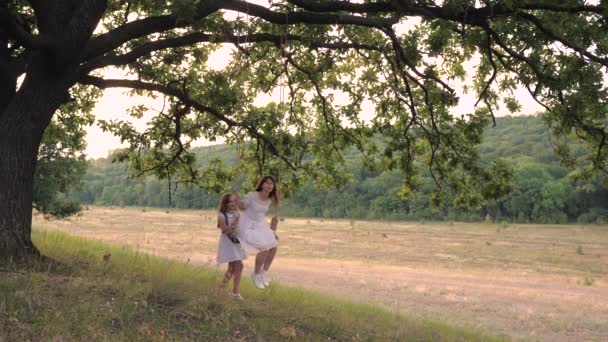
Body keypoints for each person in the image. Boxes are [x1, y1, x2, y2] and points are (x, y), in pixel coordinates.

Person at [237, 175, 280, 289]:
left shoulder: (269, 199)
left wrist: (273, 226)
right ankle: (255, 274)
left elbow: (262, 214)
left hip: (261, 224)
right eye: (266, 183)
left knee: (274, 245)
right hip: (249, 225)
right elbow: (242, 207)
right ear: (262, 184)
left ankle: (263, 272)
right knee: (264, 247)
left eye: (271, 183)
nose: (269, 185)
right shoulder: (252, 195)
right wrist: (239, 201)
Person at [216, 192, 247, 300]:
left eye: (234, 201)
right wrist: (234, 222)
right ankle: (235, 293)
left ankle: (221, 288)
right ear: (225, 203)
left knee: (232, 267)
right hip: (228, 243)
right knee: (239, 265)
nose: (233, 203)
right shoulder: (221, 215)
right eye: (230, 201)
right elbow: (224, 230)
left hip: (236, 242)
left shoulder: (237, 213)